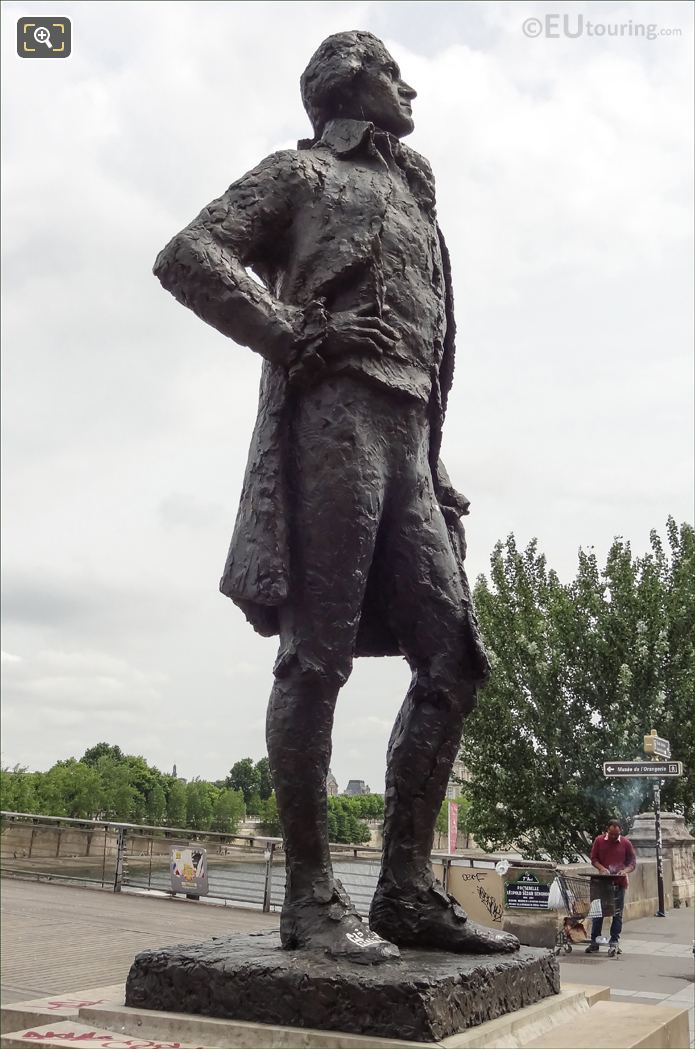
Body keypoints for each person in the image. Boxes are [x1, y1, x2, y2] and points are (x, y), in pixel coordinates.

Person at [153, 30, 518, 963]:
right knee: (315, 658)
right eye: (395, 73)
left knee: (453, 663)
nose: (411, 88)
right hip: (333, 424)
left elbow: (431, 351)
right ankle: (311, 897)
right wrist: (284, 330)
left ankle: (402, 889)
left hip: (406, 439)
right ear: (353, 85)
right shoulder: (304, 174)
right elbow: (190, 253)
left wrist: (433, 464)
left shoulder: (411, 191)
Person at [586, 819, 637, 957]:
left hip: (619, 883)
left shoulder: (625, 843)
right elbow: (594, 859)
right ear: (607, 831)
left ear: (620, 831)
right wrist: (602, 868)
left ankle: (614, 941)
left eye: (617, 834)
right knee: (598, 913)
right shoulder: (599, 841)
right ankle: (595, 941)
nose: (615, 837)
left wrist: (625, 871)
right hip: (602, 883)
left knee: (617, 914)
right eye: (612, 834)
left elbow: (632, 862)